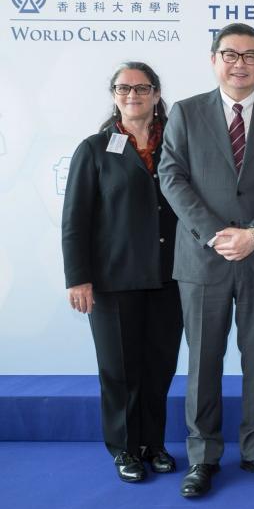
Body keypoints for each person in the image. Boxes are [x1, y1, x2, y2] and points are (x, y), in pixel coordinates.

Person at [158, 23, 254, 498]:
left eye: (250, 56)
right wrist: (216, 234)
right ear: (214, 59)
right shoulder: (186, 112)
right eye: (230, 54)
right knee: (203, 361)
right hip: (203, 259)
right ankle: (202, 456)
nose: (240, 64)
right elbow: (171, 176)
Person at [62, 61, 183, 483]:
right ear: (114, 95)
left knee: (159, 367)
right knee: (120, 371)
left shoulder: (178, 142)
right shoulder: (95, 149)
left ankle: (154, 444)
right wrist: (78, 277)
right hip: (113, 281)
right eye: (123, 88)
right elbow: (75, 219)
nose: (133, 95)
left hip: (171, 278)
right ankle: (125, 449)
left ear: (155, 93)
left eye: (142, 87)